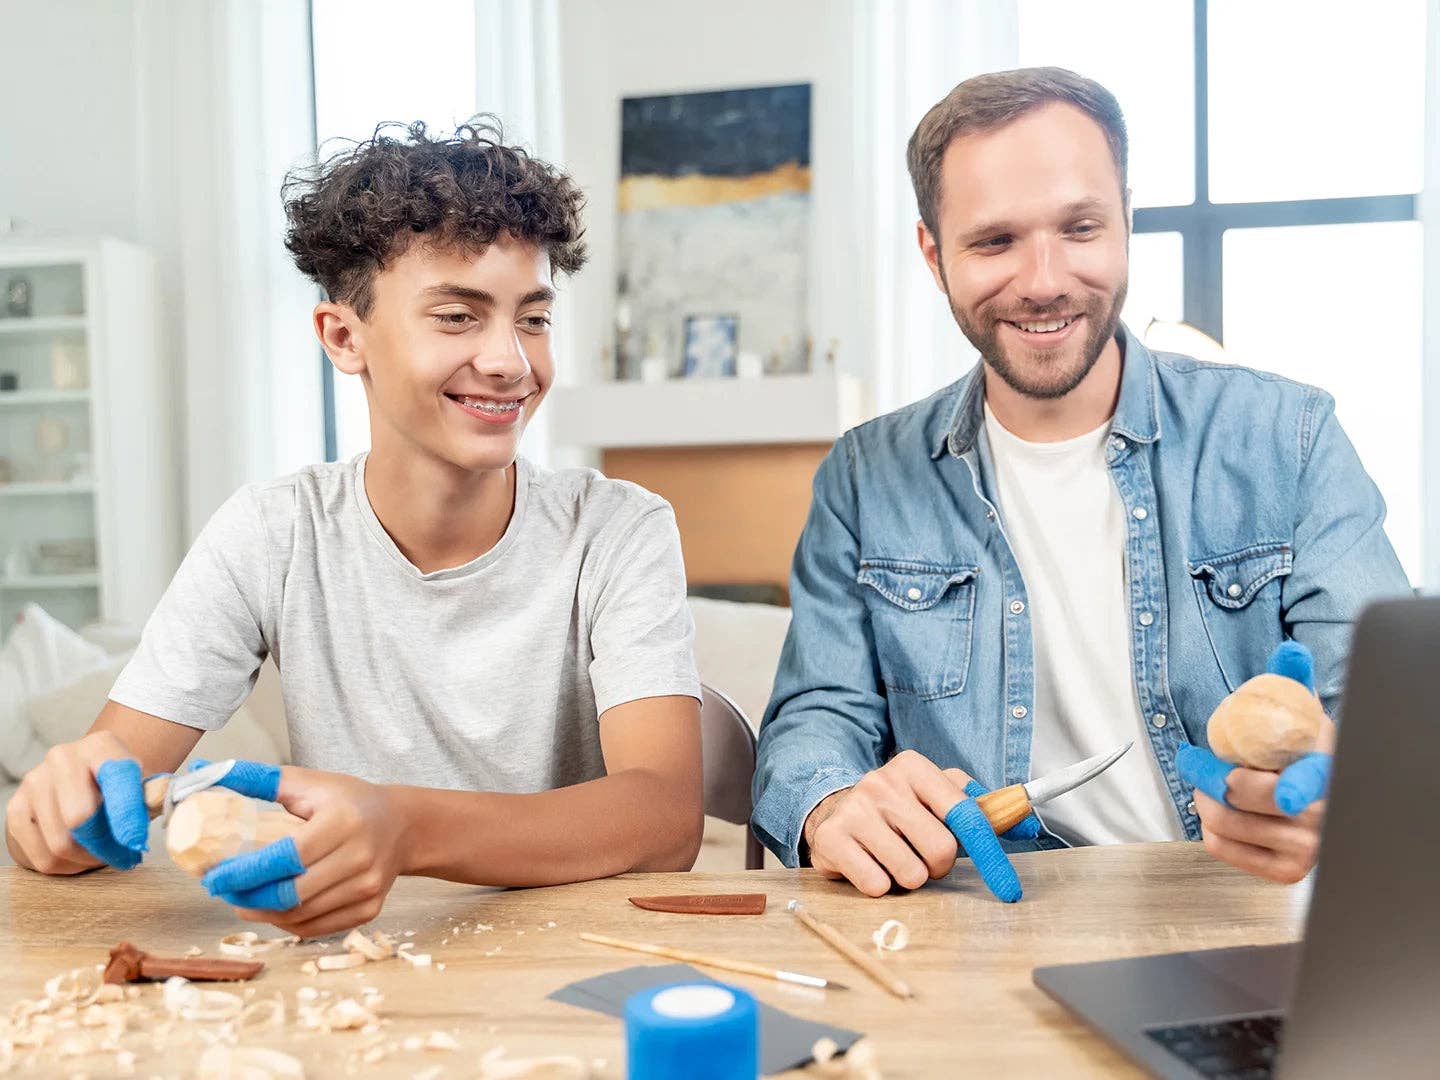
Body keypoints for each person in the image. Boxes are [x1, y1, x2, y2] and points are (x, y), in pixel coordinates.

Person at [5, 119, 704, 937]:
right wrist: (60, 819)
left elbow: (663, 819)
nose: (512, 361)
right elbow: (104, 781)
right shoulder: (273, 531)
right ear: (344, 337)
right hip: (354, 973)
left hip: (566, 957)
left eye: (534, 318)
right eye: (457, 316)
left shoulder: (617, 529)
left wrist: (400, 826)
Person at [750, 68, 1410, 900]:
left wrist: (1337, 789)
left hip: (1252, 919)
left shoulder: (1290, 438)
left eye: (1081, 228)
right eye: (995, 242)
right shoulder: (862, 478)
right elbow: (812, 725)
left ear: (1127, 220)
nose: (1044, 280)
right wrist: (834, 803)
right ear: (933, 254)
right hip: (980, 940)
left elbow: (1393, 727)